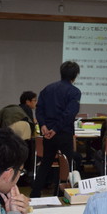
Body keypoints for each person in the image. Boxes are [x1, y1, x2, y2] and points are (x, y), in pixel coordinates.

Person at [32, 61, 81, 198]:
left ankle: (35, 194)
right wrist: (56, 129)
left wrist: (43, 126)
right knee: (66, 165)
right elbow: (70, 113)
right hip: (64, 133)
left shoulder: (47, 89)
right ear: (75, 76)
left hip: (48, 134)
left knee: (45, 163)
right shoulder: (74, 91)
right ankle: (61, 195)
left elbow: (39, 109)